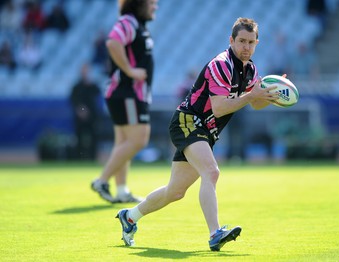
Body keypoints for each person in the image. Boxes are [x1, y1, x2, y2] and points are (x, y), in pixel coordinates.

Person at [115, 17, 280, 251]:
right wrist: (252, 96)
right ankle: (215, 233)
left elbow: (255, 104)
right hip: (188, 120)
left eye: (251, 42)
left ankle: (129, 216)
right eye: (241, 41)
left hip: (206, 130)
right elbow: (221, 107)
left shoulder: (250, 69)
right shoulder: (221, 64)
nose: (246, 47)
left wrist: (272, 95)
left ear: (257, 43)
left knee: (175, 191)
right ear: (231, 40)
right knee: (211, 172)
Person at [91, 0, 158, 203]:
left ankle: (121, 190)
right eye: (152, 3)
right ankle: (102, 180)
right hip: (127, 91)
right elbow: (112, 42)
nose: (155, 6)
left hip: (126, 92)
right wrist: (129, 70)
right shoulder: (129, 21)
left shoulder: (138, 24)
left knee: (123, 142)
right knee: (139, 139)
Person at [69, 63, 101, 161]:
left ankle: (92, 158)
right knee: (79, 137)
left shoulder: (93, 85)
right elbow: (75, 101)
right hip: (80, 117)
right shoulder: (77, 87)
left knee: (94, 137)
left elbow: (97, 97)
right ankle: (79, 158)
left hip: (92, 117)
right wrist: (82, 111)